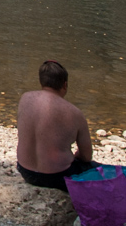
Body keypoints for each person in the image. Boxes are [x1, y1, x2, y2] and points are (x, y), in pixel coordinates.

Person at [15, 60, 93, 188]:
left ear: (42, 82)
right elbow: (86, 156)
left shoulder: (25, 98)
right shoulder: (75, 113)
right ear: (65, 85)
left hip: (26, 171)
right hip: (58, 177)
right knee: (93, 168)